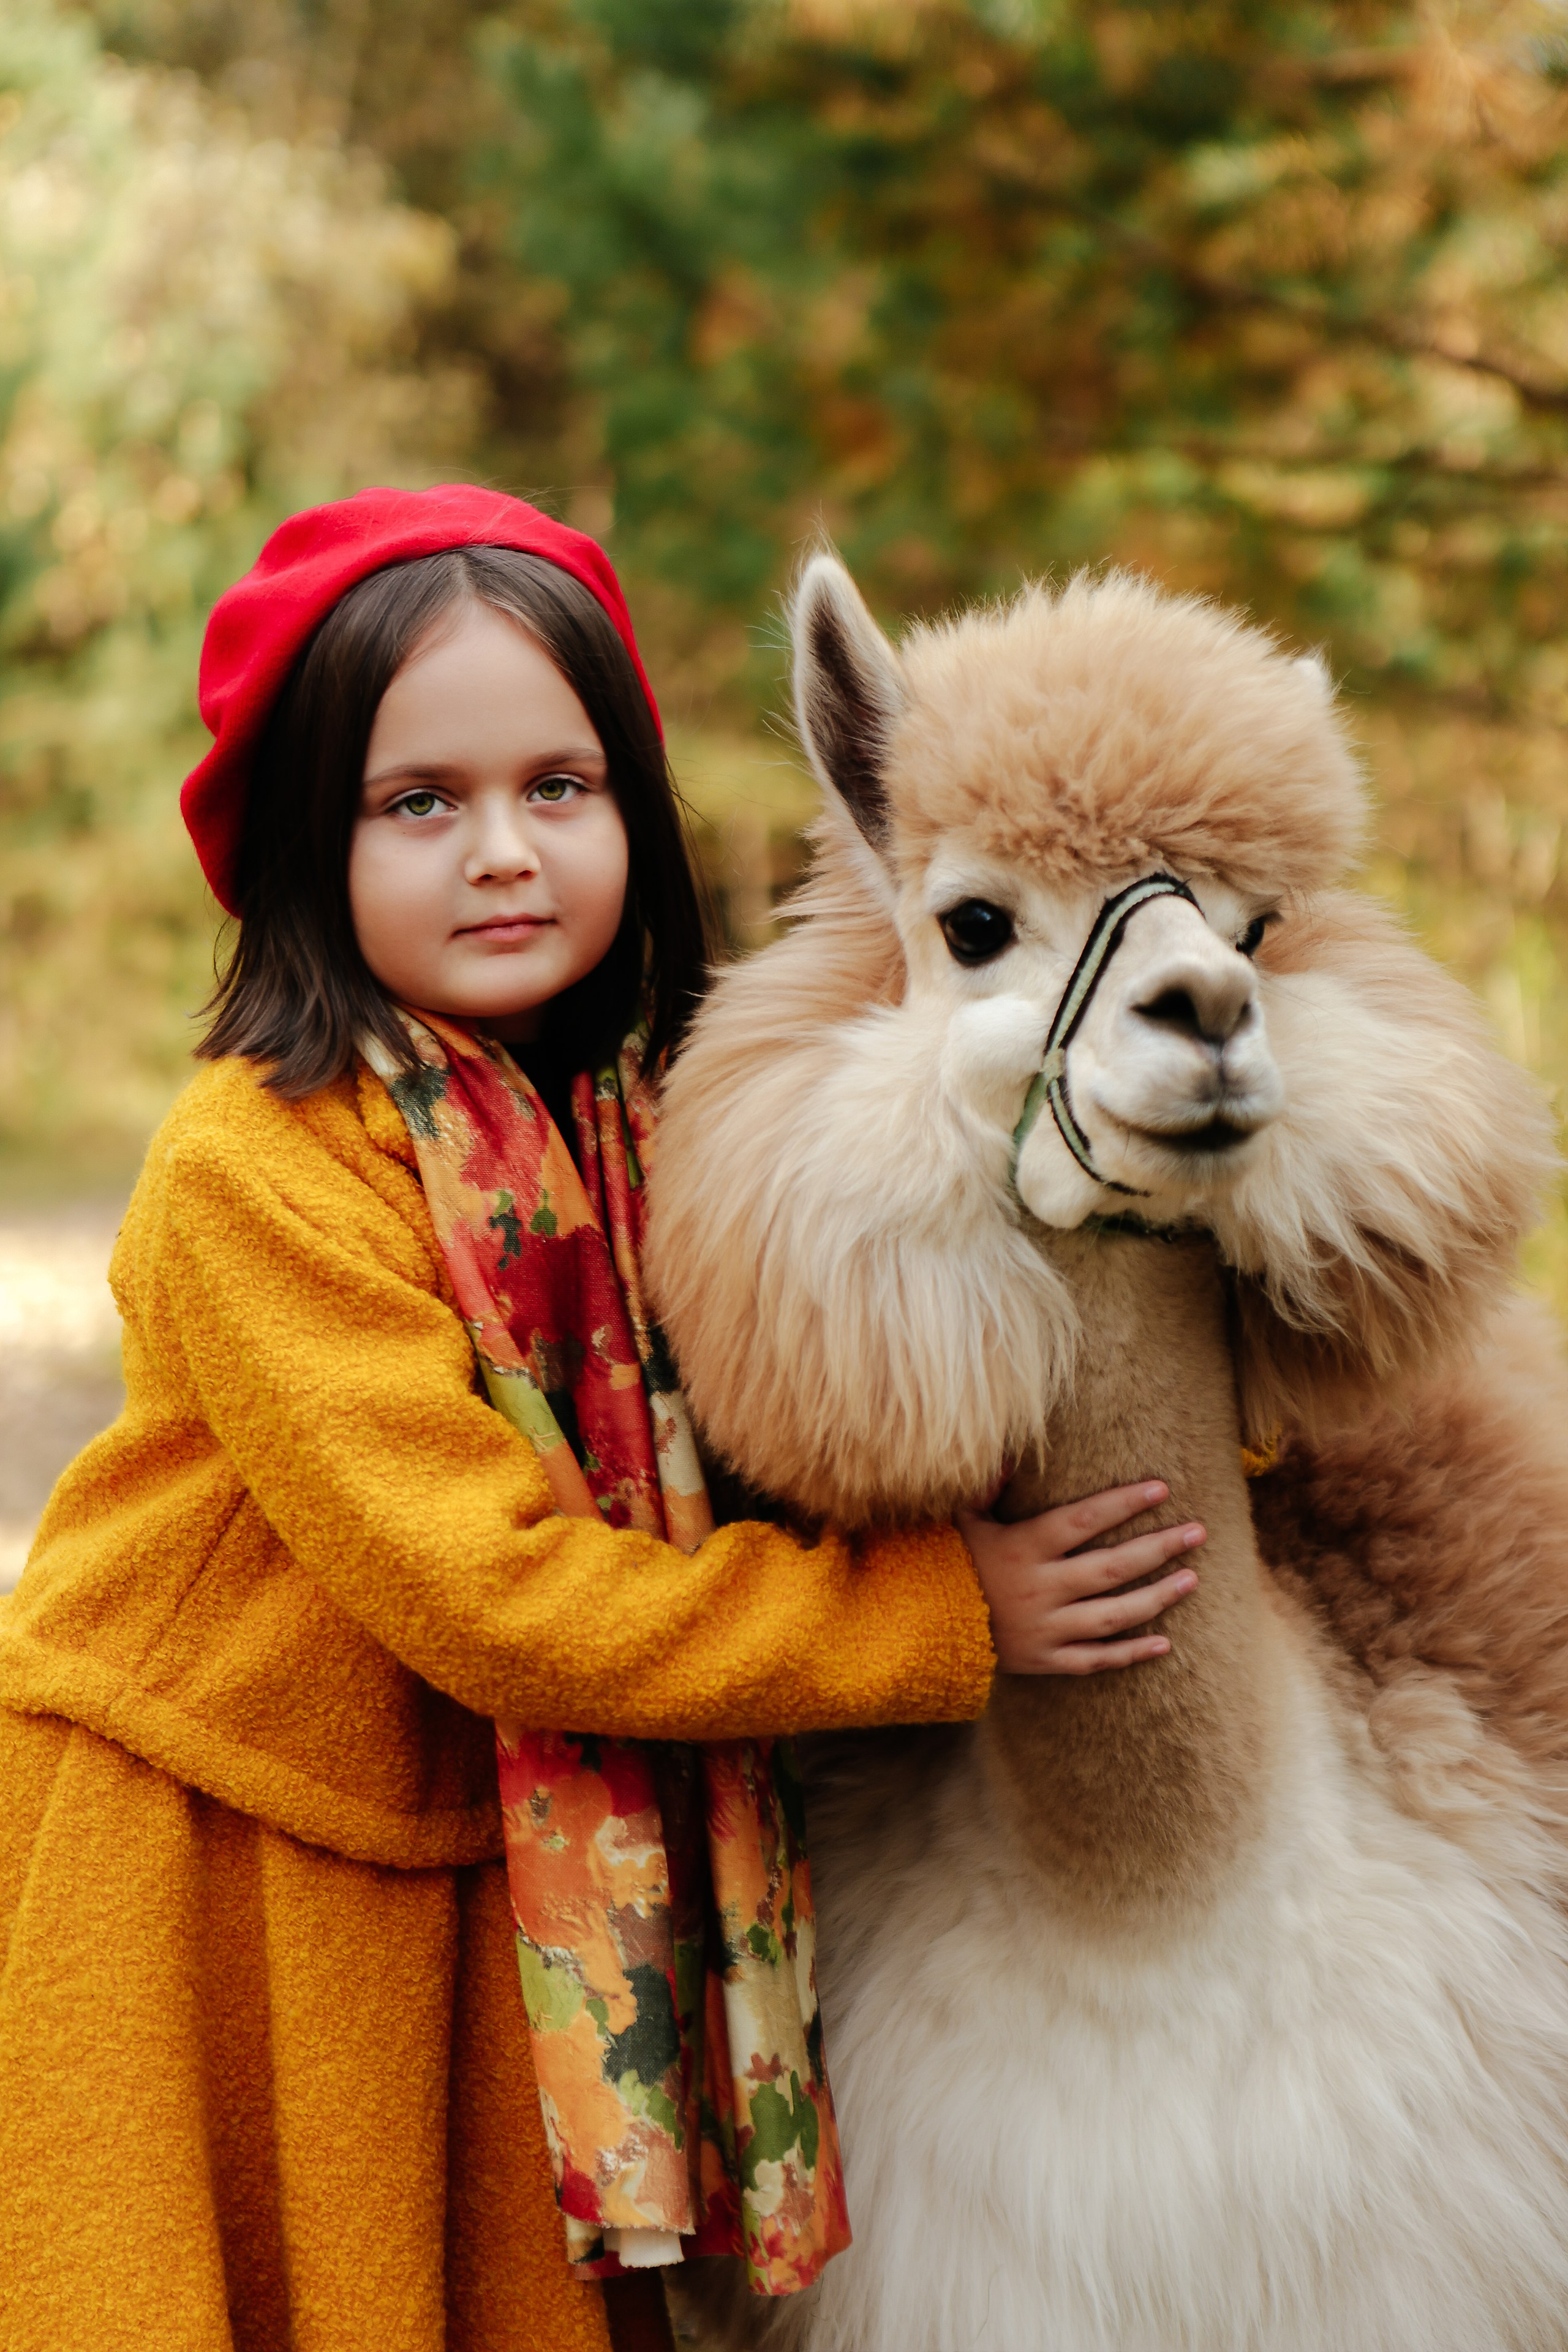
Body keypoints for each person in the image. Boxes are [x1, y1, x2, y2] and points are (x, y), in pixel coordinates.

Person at [0, 486, 1204, 2352]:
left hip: (509, 1851)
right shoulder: (256, 1173)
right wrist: (933, 1616)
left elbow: (862, 1366)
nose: (505, 852)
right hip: (242, 1859)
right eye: (423, 803)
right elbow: (496, 1596)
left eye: (562, 788)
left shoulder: (660, 1128)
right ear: (302, 841)